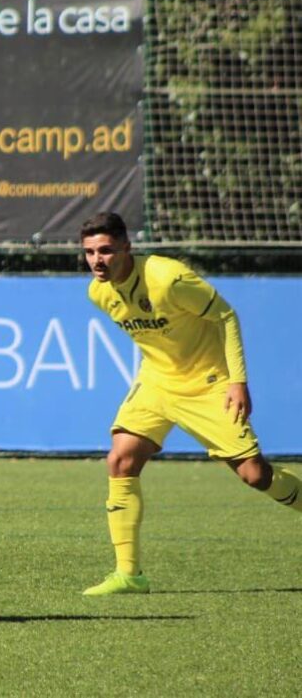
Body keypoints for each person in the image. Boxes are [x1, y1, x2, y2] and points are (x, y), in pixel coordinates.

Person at [79, 212, 300, 595]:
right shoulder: (99, 293)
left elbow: (225, 315)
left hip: (208, 384)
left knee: (255, 475)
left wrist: (237, 381)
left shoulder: (169, 279)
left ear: (127, 247)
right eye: (89, 252)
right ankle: (129, 575)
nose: (97, 260)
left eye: (106, 250)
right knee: (121, 459)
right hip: (157, 383)